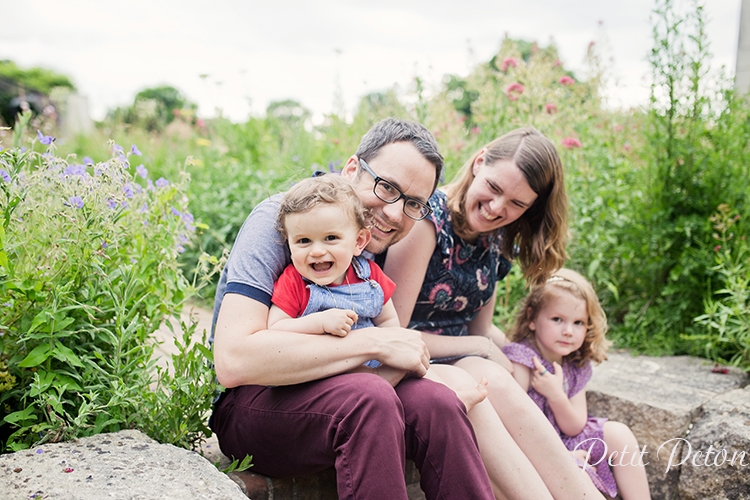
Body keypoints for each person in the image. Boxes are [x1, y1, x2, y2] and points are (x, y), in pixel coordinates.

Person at [209, 118, 497, 500]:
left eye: (413, 204)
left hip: (348, 392)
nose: (395, 214)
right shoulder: (284, 220)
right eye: (387, 187)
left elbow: (395, 334)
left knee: (437, 404)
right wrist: (373, 344)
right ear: (351, 170)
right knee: (369, 398)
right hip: (258, 405)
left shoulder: (369, 239)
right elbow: (233, 361)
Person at [384, 127, 606, 499]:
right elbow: (394, 331)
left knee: (502, 380)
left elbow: (482, 328)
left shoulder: (497, 240)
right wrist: (483, 348)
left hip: (462, 357)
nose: (499, 208)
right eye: (495, 188)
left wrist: (532, 359)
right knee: (486, 382)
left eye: (517, 204)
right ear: (479, 161)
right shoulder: (427, 221)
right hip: (408, 359)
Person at [502, 268, 651, 500]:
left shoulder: (574, 364)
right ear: (532, 318)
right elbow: (509, 428)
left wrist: (556, 396)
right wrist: (566, 456)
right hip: (534, 450)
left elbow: (575, 425)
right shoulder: (522, 360)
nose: (568, 331)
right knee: (576, 474)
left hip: (566, 440)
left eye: (578, 322)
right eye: (557, 319)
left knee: (618, 434)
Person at [268, 174, 397, 368]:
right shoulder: (294, 281)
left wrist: (393, 356)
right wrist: (319, 323)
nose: (317, 251)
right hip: (322, 372)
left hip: (371, 364)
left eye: (331, 237)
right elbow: (275, 328)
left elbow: (388, 321)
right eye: (304, 241)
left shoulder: (370, 276)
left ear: (359, 241)